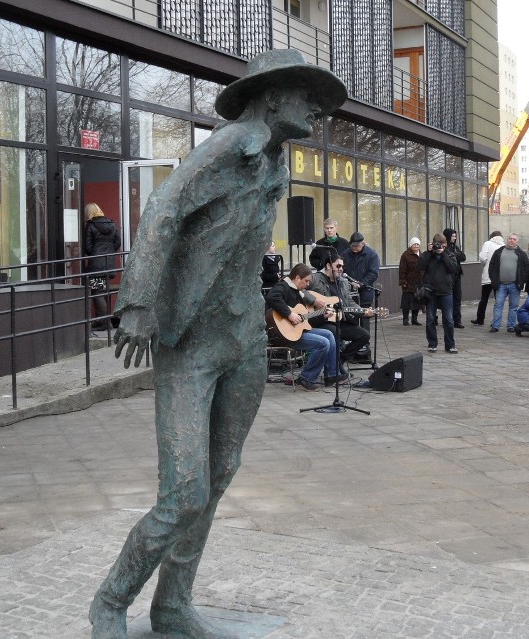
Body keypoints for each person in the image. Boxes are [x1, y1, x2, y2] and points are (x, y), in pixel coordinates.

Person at [89, 49, 348, 639]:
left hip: (242, 338)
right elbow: (164, 208)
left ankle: (173, 606)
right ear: (272, 95)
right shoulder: (231, 145)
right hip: (191, 342)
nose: (313, 107)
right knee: (183, 491)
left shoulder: (277, 163)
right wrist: (137, 302)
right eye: (304, 94)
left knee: (221, 471)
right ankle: (111, 600)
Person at [266, 263, 347, 389]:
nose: (308, 285)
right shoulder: (283, 286)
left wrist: (323, 315)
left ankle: (331, 375)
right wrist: (289, 314)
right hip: (283, 335)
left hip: (296, 332)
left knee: (329, 334)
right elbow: (271, 297)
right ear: (297, 278)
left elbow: (305, 321)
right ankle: (307, 378)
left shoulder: (297, 292)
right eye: (306, 281)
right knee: (323, 343)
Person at [309, 253, 374, 366]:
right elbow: (300, 291)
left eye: (343, 267)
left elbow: (349, 302)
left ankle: (340, 361)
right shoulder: (315, 278)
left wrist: (363, 312)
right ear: (328, 266)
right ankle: (333, 369)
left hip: (339, 320)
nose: (341, 269)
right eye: (338, 266)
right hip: (320, 320)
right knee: (334, 332)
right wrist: (313, 301)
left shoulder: (343, 282)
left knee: (364, 335)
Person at [83, 202, 121, 331]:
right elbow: (117, 243)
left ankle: (106, 323)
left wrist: (95, 253)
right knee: (102, 290)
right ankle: (101, 320)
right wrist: (109, 253)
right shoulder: (112, 224)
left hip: (96, 265)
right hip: (109, 264)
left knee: (97, 292)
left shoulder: (90, 226)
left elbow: (87, 248)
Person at [418, 233, 459, 353]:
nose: (438, 246)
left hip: (446, 291)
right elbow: (420, 266)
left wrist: (443, 254)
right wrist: (428, 253)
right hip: (431, 291)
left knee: (449, 319)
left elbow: (453, 269)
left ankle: (450, 345)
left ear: (445, 244)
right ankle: (432, 343)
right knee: (430, 319)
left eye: (440, 244)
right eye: (436, 244)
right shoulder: (429, 255)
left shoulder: (449, 254)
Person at [487, 233, 529, 333]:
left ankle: (511, 326)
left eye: (514, 239)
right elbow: (491, 266)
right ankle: (496, 326)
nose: (511, 240)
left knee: (513, 307)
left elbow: (526, 269)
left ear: (517, 241)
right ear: (507, 240)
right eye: (510, 238)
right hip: (501, 284)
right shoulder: (499, 252)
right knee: (498, 305)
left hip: (515, 285)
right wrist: (493, 279)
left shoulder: (521, 254)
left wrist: (522, 281)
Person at [341, 231, 380, 327]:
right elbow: (340, 269)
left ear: (363, 243)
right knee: (350, 318)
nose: (354, 248)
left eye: (356, 246)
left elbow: (373, 273)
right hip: (349, 292)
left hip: (365, 293)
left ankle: (365, 341)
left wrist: (362, 283)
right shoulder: (345, 254)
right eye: (352, 246)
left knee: (364, 318)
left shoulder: (372, 255)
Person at [471, 230, 504, 326]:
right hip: (499, 277)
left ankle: (480, 319)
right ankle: (495, 321)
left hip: (488, 275)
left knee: (484, 298)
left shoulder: (487, 243)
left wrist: (486, 263)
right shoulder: (504, 246)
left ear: (491, 236)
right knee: (498, 300)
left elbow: (482, 257)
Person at [443, 228, 466, 328]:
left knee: (457, 298)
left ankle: (457, 320)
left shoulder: (455, 247)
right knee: (448, 299)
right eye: (453, 236)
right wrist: (456, 255)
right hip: (448, 276)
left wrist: (455, 255)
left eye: (455, 236)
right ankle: (448, 319)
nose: (454, 238)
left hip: (457, 275)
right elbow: (447, 257)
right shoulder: (444, 247)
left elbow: (463, 257)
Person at [398, 237, 423, 326]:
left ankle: (414, 319)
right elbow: (402, 269)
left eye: (417, 244)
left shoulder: (421, 254)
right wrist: (403, 281)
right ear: (410, 245)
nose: (416, 246)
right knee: (406, 302)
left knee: (416, 301)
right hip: (408, 282)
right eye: (414, 244)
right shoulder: (405, 255)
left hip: (418, 282)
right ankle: (405, 319)